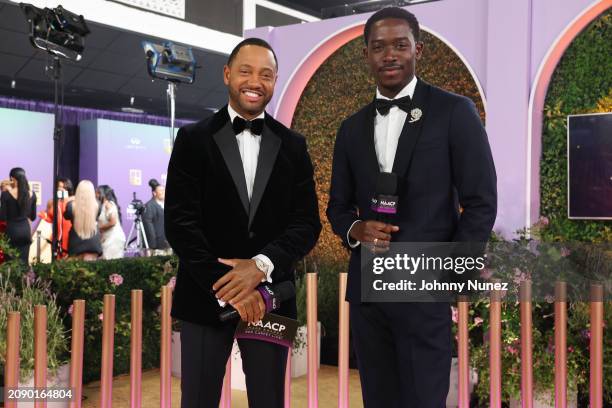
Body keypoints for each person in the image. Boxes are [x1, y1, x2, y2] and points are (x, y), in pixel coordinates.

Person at [326, 7, 497, 407]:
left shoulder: (455, 111)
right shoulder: (350, 128)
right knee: (378, 399)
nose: (390, 55)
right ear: (366, 53)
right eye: (379, 47)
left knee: (424, 398)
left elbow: (480, 201)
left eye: (400, 45)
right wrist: (356, 229)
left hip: (425, 291)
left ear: (418, 49)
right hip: (369, 292)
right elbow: (337, 206)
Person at [165, 37, 321, 408]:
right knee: (198, 399)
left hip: (271, 299)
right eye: (246, 71)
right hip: (203, 299)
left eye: (266, 74)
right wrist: (232, 288)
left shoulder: (293, 146)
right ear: (227, 75)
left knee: (269, 399)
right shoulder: (192, 139)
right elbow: (180, 223)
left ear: (275, 80)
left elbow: (306, 223)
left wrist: (260, 267)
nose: (255, 81)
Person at [0, 167, 37, 264]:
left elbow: (2, 217)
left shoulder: (5, 195)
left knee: (10, 263)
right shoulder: (32, 194)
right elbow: (33, 217)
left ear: (12, 179)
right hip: (25, 231)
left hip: (11, 232)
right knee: (24, 262)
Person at [64, 180, 102, 260]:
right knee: (92, 271)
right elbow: (97, 216)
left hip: (76, 241)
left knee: (76, 270)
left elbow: (66, 216)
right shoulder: (98, 205)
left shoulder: (71, 206)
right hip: (93, 242)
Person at [96, 185, 126, 259]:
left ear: (102, 194)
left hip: (113, 240)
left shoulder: (109, 205)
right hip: (106, 239)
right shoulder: (102, 205)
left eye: (97, 192)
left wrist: (98, 228)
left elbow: (113, 222)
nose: (95, 194)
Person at [142, 178, 169, 254]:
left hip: (168, 244)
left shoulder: (168, 205)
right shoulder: (149, 206)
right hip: (157, 246)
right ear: (154, 193)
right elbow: (148, 226)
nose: (163, 192)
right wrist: (152, 245)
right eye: (161, 191)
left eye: (164, 190)